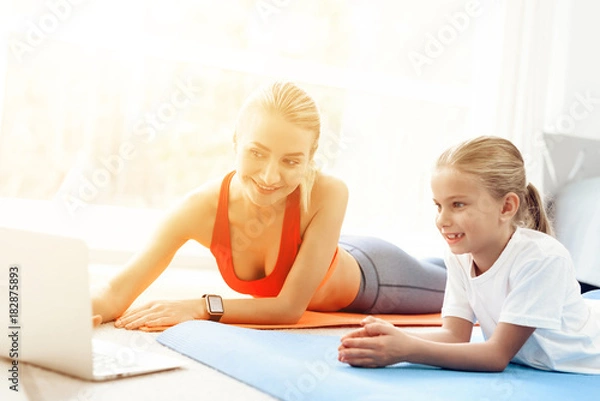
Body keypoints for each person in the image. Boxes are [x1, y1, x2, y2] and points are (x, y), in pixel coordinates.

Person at [92, 81, 447, 329]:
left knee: (470, 283)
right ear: (235, 142)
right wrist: (66, 315)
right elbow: (115, 292)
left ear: (310, 159)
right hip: (335, 251)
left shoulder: (330, 192)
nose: (269, 176)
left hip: (377, 279)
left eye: (291, 161)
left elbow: (289, 308)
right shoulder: (197, 210)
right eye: (257, 153)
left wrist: (200, 306)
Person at [338, 136, 600, 374]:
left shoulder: (543, 258)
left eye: (458, 205)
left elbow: (496, 355)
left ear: (507, 206)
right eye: (438, 206)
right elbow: (454, 335)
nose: (442, 220)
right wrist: (392, 337)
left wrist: (405, 350)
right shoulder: (460, 257)